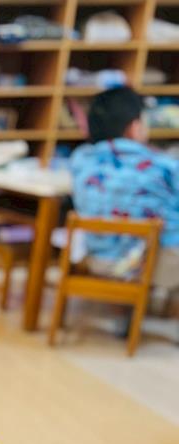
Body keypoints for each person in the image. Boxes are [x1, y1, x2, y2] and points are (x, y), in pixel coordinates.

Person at [70, 86, 179, 313]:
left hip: (97, 258)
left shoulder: (80, 161)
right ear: (135, 127)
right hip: (147, 266)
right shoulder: (163, 167)